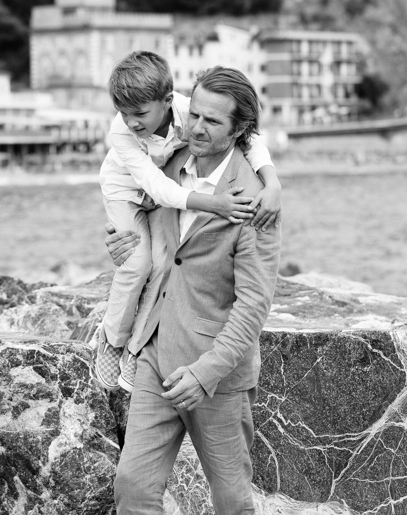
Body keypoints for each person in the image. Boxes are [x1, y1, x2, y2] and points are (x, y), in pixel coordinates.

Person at [105, 66, 282, 514]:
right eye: (195, 115)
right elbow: (141, 218)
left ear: (240, 129)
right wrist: (120, 238)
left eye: (213, 121)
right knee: (132, 488)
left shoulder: (256, 199)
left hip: (217, 373)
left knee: (232, 500)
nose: (196, 128)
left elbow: (254, 304)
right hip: (154, 353)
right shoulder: (166, 162)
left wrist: (207, 372)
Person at [96, 51, 282, 393]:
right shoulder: (121, 132)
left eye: (139, 113)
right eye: (123, 113)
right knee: (137, 265)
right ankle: (112, 338)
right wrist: (214, 204)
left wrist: (272, 183)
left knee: (164, 263)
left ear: (167, 101)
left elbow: (251, 138)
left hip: (164, 195)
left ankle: (136, 348)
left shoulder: (188, 110)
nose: (132, 122)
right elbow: (156, 186)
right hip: (127, 192)